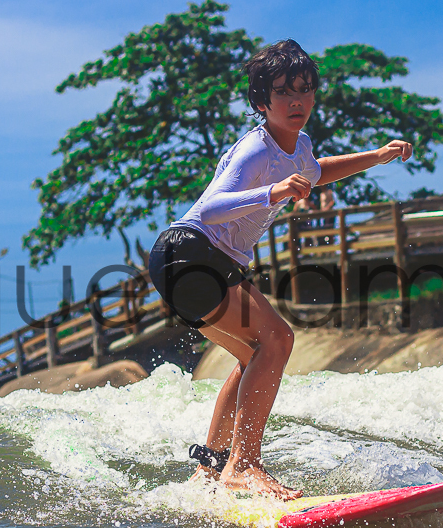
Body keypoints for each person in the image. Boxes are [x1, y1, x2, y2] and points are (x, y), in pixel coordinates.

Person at [148, 39, 412, 500]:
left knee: (254, 354)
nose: (297, 100)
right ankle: (244, 466)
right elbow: (210, 209)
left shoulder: (299, 147)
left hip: (191, 262)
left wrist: (375, 157)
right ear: (261, 102)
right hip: (190, 253)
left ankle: (211, 469)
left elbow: (316, 171)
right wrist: (272, 192)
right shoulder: (256, 150)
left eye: (305, 89)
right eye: (284, 92)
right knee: (278, 339)